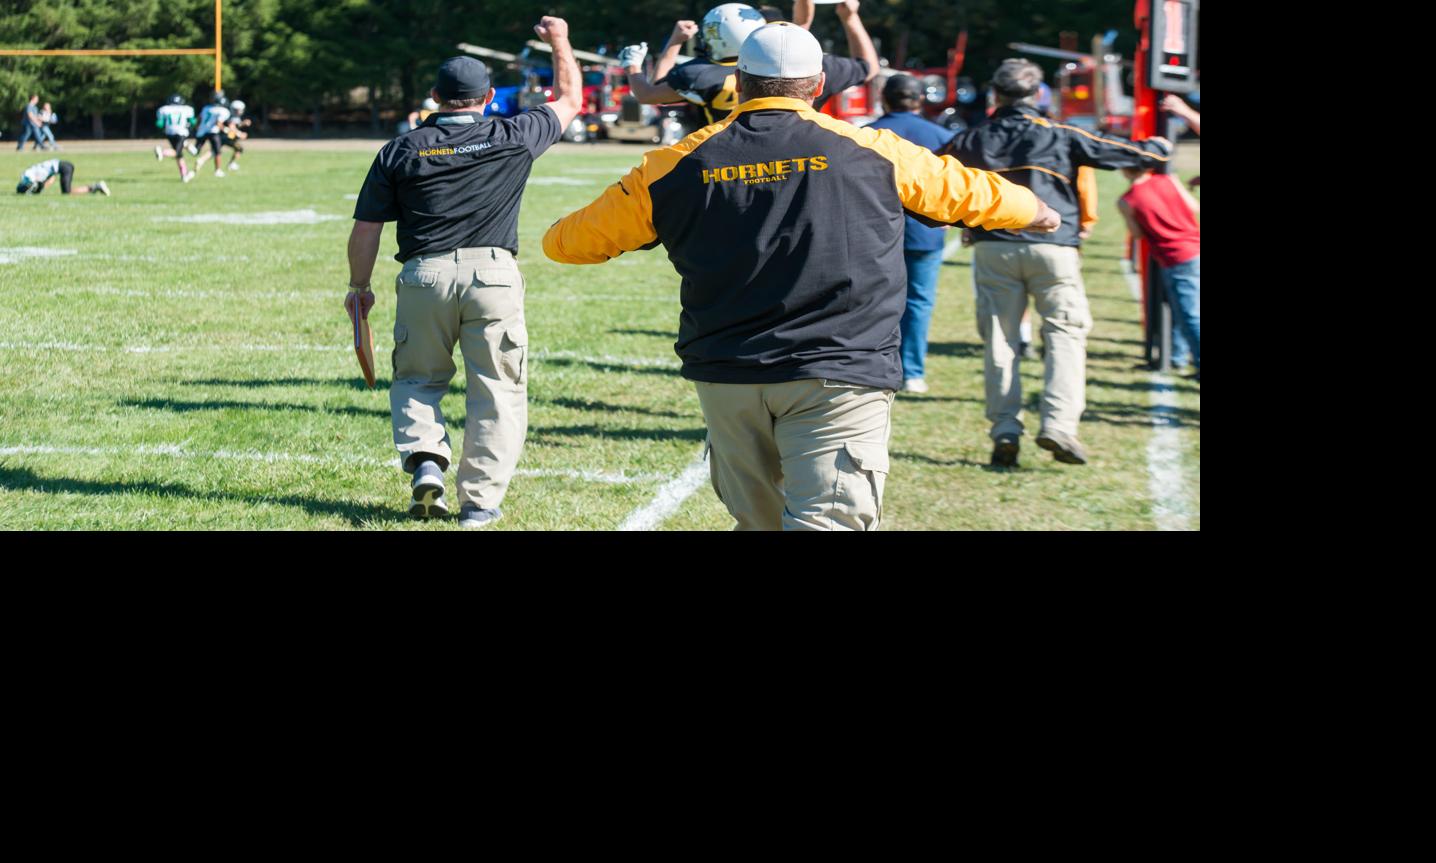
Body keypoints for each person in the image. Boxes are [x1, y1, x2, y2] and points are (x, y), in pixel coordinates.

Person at [542, 22, 1054, 531]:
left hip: (730, 374)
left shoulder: (676, 161)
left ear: (738, 82)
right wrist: (1037, 210)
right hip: (839, 370)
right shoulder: (874, 148)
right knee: (828, 522)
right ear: (816, 86)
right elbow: (968, 192)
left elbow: (566, 243)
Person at [345, 17, 584, 528]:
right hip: (494, 276)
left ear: (434, 97)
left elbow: (367, 228)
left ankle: (426, 459)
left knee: (416, 378)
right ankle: (479, 502)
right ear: (490, 96)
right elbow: (569, 100)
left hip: (423, 274)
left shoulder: (400, 149)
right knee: (498, 389)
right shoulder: (514, 135)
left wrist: (358, 288)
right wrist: (560, 40)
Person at [939, 59, 1170, 467]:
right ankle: (1059, 425)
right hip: (1054, 246)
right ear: (1038, 95)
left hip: (994, 247)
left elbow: (939, 177)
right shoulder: (1060, 132)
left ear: (996, 95)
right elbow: (1116, 150)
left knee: (1000, 342)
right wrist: (1157, 148)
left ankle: (1005, 429)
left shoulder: (972, 138)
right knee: (1065, 336)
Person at [623, 0, 877, 126]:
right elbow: (868, 66)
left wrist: (639, 62)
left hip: (726, 158)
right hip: (801, 155)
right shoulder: (805, 64)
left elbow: (650, 92)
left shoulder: (700, 74)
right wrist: (850, 17)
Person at [867, 73, 953, 394]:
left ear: (884, 99)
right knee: (918, 302)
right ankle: (913, 371)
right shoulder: (942, 135)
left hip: (874, 231)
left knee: (872, 301)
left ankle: (875, 366)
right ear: (920, 100)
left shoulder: (864, 134)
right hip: (925, 231)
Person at [1117, 162, 1199, 379]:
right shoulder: (1168, 180)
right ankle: (1177, 357)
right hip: (1195, 248)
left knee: (1189, 314)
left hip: (1174, 257)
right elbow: (1194, 207)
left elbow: (1136, 234)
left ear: (1125, 170)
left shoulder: (1127, 201)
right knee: (1181, 310)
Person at [153, 94, 197, 182]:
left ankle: (184, 175)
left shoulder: (164, 109)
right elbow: (193, 121)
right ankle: (162, 152)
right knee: (177, 153)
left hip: (170, 133)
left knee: (179, 155)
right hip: (181, 133)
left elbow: (159, 124)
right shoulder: (187, 109)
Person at [16, 158, 107, 196]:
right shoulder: (31, 173)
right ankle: (95, 187)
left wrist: (38, 189)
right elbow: (51, 178)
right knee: (66, 192)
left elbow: (39, 183)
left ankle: (96, 187)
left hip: (63, 167)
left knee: (67, 193)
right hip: (64, 165)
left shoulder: (28, 176)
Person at [192, 93, 233, 177]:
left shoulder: (206, 108)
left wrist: (196, 128)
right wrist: (226, 130)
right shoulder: (223, 110)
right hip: (213, 132)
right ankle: (217, 170)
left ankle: (199, 157)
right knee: (217, 151)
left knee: (195, 151)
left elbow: (199, 119)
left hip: (202, 131)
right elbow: (218, 123)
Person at [223, 99, 252, 170]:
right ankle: (231, 164)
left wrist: (243, 123)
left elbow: (236, 126)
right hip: (225, 137)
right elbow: (231, 128)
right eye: (240, 110)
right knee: (239, 149)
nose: (241, 111)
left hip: (229, 137)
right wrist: (240, 134)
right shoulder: (231, 116)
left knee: (239, 149)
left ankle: (231, 164)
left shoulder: (235, 117)